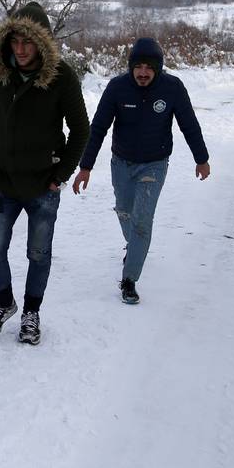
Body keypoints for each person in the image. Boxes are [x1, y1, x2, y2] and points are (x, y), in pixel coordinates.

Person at [0, 1, 89, 345]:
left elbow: (81, 129)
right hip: (3, 179)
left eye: (28, 42)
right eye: (15, 41)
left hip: (42, 184)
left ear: (42, 43)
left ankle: (31, 312)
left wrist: (61, 173)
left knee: (38, 253)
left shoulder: (62, 77)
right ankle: (4, 303)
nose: (20, 50)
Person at [72, 37, 210, 305]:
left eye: (149, 67)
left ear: (158, 68)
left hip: (154, 164)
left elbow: (189, 124)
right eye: (138, 66)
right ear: (131, 67)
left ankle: (129, 280)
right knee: (124, 211)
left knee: (142, 222)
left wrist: (201, 158)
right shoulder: (116, 88)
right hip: (121, 163)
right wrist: (85, 167)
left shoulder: (172, 88)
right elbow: (98, 127)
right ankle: (135, 247)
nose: (143, 72)